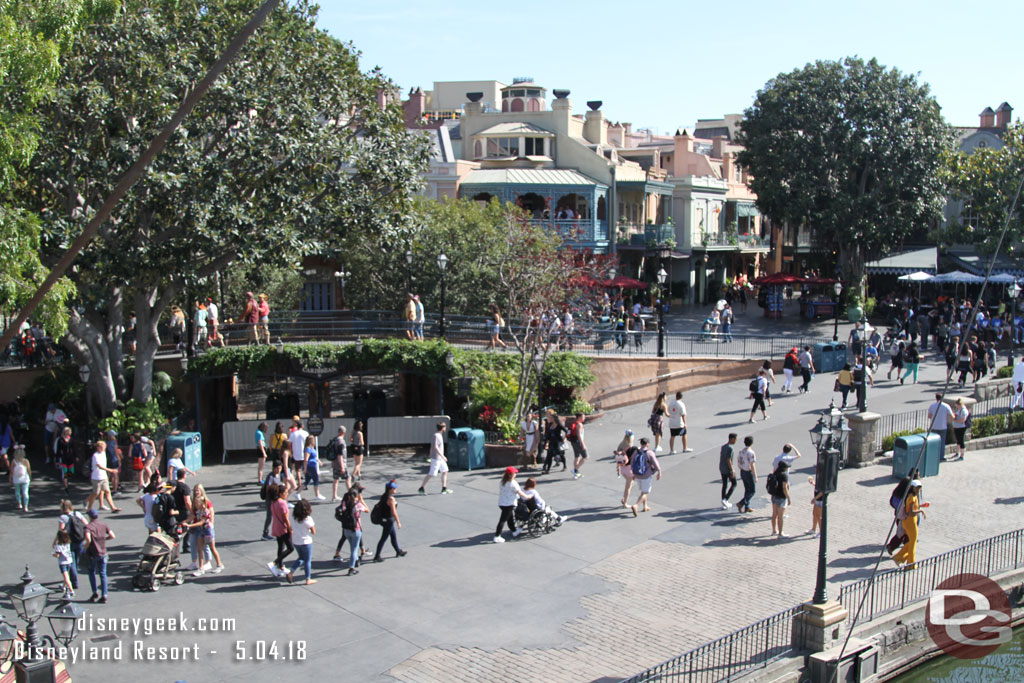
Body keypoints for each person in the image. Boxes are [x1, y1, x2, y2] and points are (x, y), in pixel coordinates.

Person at [186, 484, 223, 575]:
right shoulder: (198, 509)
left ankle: (219, 564)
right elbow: (192, 515)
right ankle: (201, 568)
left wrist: (190, 526)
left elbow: (201, 522)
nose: (196, 506)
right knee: (199, 549)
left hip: (207, 531)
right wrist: (185, 521)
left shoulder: (205, 511)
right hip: (201, 530)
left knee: (212, 547)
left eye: (197, 504)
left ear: (202, 504)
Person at [892, 480, 927, 569]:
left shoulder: (913, 496)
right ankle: (910, 563)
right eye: (917, 487)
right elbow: (910, 512)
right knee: (912, 542)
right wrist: (921, 510)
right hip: (910, 521)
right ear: (912, 488)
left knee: (912, 542)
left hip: (911, 521)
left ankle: (900, 557)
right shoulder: (911, 497)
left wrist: (921, 506)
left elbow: (913, 507)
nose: (918, 489)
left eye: (919, 488)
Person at [84, 508, 115, 603]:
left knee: (92, 572)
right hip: (103, 552)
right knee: (103, 574)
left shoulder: (88, 527)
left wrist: (85, 548)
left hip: (93, 553)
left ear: (89, 516)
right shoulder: (103, 524)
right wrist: (105, 539)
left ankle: (95, 592)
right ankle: (104, 594)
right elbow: (112, 535)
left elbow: (88, 540)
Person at [335, 485, 367, 575]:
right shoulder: (358, 505)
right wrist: (362, 500)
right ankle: (351, 568)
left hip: (346, 529)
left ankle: (356, 560)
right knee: (354, 549)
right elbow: (367, 510)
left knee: (352, 546)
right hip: (356, 529)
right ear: (357, 496)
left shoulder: (345, 504)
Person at [57, 500, 87, 593]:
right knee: (76, 559)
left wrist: (57, 542)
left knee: (72, 562)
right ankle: (74, 575)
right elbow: (86, 524)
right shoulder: (77, 513)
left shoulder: (63, 517)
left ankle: (74, 582)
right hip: (80, 540)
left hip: (70, 541)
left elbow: (61, 531)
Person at [284, 499, 316, 585]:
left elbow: (290, 526)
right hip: (306, 542)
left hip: (296, 541)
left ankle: (291, 572)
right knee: (307, 560)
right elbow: (313, 531)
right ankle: (308, 578)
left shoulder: (292, 516)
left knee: (301, 557)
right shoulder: (308, 519)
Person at [373, 480, 406, 560]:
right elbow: (394, 512)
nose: (395, 489)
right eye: (394, 488)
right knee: (383, 538)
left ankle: (398, 551)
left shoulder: (384, 496)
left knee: (393, 536)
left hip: (385, 520)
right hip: (389, 520)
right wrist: (398, 522)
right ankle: (377, 556)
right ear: (390, 489)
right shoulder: (391, 499)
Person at [629, 437, 661, 517]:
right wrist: (659, 471)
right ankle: (636, 505)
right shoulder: (649, 453)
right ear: (647, 444)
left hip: (637, 474)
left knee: (643, 491)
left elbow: (632, 463)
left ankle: (645, 506)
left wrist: (633, 473)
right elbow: (655, 463)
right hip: (646, 475)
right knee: (645, 492)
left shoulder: (636, 452)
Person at [85, 440, 120, 513]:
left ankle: (113, 507)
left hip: (103, 476)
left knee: (107, 491)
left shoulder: (104, 453)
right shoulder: (95, 455)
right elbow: (99, 466)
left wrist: (107, 474)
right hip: (96, 477)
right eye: (100, 447)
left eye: (103, 447)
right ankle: (89, 508)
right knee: (95, 493)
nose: (102, 448)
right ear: (97, 448)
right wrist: (110, 470)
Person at [267, 484, 293, 576]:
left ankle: (280, 566)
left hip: (276, 527)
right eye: (285, 492)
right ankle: (275, 563)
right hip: (283, 528)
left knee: (280, 547)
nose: (287, 494)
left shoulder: (273, 502)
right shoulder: (282, 503)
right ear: (281, 494)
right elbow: (286, 518)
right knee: (290, 548)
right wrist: (290, 529)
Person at [494, 467, 526, 542]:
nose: (516, 474)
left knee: (510, 517)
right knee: (502, 520)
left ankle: (514, 531)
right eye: (515, 473)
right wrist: (528, 496)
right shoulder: (513, 483)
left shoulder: (502, 481)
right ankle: (497, 536)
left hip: (502, 503)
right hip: (509, 504)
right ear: (511, 475)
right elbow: (520, 493)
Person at [419, 422, 452, 494]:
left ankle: (444, 488)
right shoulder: (436, 436)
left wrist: (431, 457)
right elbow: (435, 447)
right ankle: (421, 488)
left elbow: (432, 447)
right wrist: (442, 456)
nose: (445, 428)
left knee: (445, 470)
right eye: (445, 427)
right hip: (436, 458)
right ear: (443, 428)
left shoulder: (439, 435)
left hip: (440, 459)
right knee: (432, 474)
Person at [261, 460, 284, 540]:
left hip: (276, 499)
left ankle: (277, 532)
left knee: (276, 516)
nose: (279, 470)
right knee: (269, 516)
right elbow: (268, 489)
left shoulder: (279, 475)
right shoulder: (271, 476)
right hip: (271, 500)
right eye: (277, 468)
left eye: (280, 468)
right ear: (273, 468)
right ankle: (265, 533)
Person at [769, 460, 792, 537]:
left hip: (774, 496)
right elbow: (785, 488)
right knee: (780, 516)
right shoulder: (784, 475)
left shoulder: (775, 473)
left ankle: (774, 531)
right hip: (782, 497)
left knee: (774, 514)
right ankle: (780, 533)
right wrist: (788, 498)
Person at [288, 417, 309, 499]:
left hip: (296, 453)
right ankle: (305, 484)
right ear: (302, 426)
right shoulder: (306, 433)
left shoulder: (293, 434)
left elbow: (290, 443)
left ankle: (300, 484)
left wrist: (291, 452)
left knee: (298, 469)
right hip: (304, 452)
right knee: (305, 468)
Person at [614, 430, 635, 507]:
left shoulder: (620, 445)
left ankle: (624, 498)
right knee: (628, 488)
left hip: (622, 468)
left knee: (630, 483)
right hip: (629, 469)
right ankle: (625, 503)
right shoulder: (632, 448)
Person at [737, 436, 757, 513]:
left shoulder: (741, 451)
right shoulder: (751, 452)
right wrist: (755, 476)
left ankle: (747, 506)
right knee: (752, 491)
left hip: (742, 471)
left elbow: (738, 461)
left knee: (747, 489)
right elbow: (752, 464)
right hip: (748, 472)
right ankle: (741, 503)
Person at [330, 426, 350, 501]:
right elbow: (340, 455)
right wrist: (342, 467)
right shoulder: (341, 442)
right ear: (344, 433)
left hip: (334, 463)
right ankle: (350, 494)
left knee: (335, 479)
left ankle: (334, 496)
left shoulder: (334, 440)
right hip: (340, 464)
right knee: (348, 478)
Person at [302, 434, 325, 501]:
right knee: (316, 480)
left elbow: (315, 457)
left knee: (307, 481)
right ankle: (317, 494)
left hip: (312, 465)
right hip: (311, 466)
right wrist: (305, 468)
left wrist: (319, 461)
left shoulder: (311, 448)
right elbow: (306, 459)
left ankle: (297, 493)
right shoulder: (308, 449)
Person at [54, 528, 75, 597]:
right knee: (66, 576)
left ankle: (71, 590)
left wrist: (53, 554)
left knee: (66, 577)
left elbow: (57, 555)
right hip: (69, 561)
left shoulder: (58, 545)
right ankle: (63, 587)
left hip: (62, 563)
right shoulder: (68, 542)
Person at [719, 433, 738, 509]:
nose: (736, 441)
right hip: (727, 469)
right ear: (732, 439)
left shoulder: (723, 447)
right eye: (735, 439)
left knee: (725, 485)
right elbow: (728, 460)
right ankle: (725, 499)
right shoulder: (730, 448)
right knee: (734, 484)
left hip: (722, 468)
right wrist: (732, 470)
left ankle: (724, 502)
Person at [10, 446, 31, 512]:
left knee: (17, 491)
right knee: (25, 493)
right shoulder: (26, 461)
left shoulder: (14, 461)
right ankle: (25, 506)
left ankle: (19, 503)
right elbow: (29, 470)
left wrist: (10, 478)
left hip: (16, 478)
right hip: (25, 479)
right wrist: (30, 477)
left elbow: (11, 471)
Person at [568, 413, 588, 479]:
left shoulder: (575, 423)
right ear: (579, 417)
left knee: (577, 456)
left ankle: (576, 473)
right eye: (583, 417)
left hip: (573, 442)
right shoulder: (580, 424)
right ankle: (575, 470)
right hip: (578, 442)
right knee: (585, 456)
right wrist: (583, 444)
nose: (584, 418)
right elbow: (579, 435)